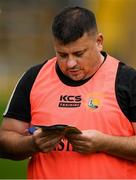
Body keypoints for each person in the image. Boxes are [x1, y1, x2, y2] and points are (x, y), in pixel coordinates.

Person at [0, 6, 136, 179]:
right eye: (62, 55)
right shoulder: (34, 77)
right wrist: (31, 143)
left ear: (99, 41)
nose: (71, 63)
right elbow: (4, 139)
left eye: (79, 53)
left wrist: (105, 143)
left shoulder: (127, 80)